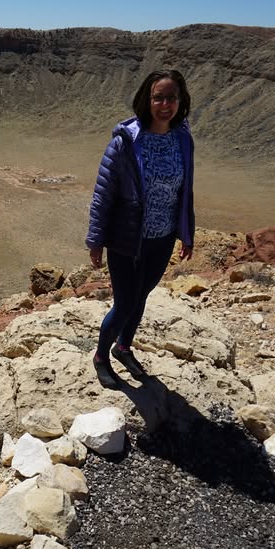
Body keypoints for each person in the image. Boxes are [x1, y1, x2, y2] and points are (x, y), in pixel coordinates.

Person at [85, 70, 195, 389]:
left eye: (171, 97)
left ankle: (123, 347)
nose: (165, 104)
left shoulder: (182, 138)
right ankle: (101, 357)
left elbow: (184, 190)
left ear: (181, 101)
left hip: (162, 238)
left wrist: (186, 233)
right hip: (127, 239)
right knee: (125, 303)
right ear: (146, 100)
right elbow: (103, 193)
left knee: (142, 296)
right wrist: (95, 239)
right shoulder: (125, 141)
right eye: (158, 97)